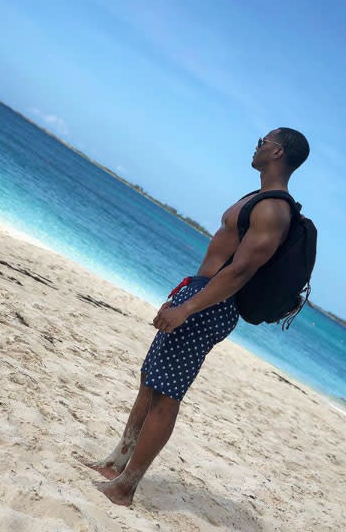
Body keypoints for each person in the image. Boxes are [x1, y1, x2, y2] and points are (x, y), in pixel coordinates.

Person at [79, 127, 310, 506]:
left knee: (166, 396)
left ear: (278, 152)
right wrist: (184, 297)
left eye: (262, 141)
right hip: (199, 292)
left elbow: (240, 271)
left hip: (211, 303)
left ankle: (125, 487)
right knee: (150, 382)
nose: (256, 145)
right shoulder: (257, 198)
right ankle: (115, 464)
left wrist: (188, 308)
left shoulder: (273, 209)